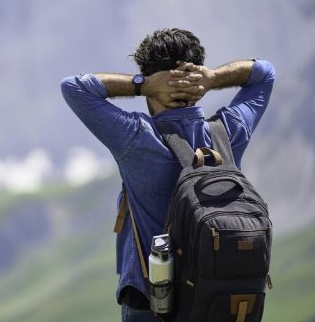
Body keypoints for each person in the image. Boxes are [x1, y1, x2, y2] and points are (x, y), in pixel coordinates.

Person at [60, 28, 275, 322]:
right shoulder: (229, 131)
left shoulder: (137, 138)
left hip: (152, 306)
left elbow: (74, 87)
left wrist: (142, 85)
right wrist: (212, 79)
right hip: (218, 303)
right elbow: (264, 73)